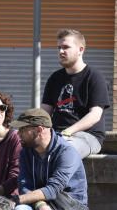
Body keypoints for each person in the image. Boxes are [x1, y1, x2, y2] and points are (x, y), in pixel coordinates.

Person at [9, 108, 88, 210]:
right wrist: (40, 204)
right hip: (42, 203)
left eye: (23, 129)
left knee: (19, 208)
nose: (18, 134)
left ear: (39, 130)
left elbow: (53, 188)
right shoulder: (26, 152)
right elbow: (24, 185)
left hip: (69, 209)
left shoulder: (67, 152)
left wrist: (16, 199)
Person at [41, 29, 112, 159]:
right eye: (59, 48)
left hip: (87, 136)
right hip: (58, 134)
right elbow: (44, 113)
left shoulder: (95, 77)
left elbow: (95, 115)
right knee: (26, 147)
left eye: (66, 47)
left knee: (65, 150)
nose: (61, 52)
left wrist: (68, 132)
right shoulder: (54, 78)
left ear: (80, 49)